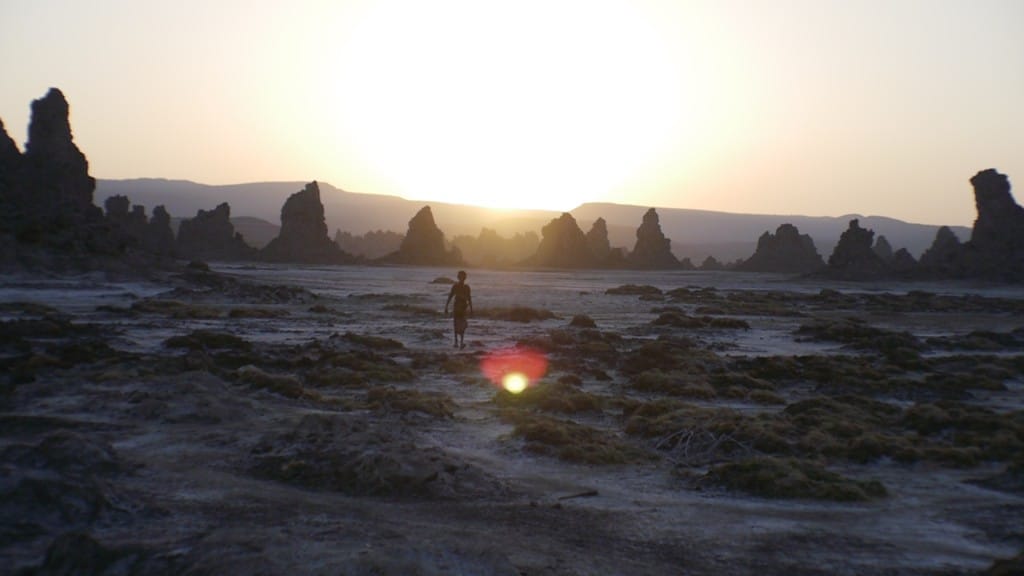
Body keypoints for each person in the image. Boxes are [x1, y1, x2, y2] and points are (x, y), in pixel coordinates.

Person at [444, 270, 473, 349]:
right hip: (459, 307)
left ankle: (458, 342)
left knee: (459, 324)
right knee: (459, 324)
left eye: (462, 276)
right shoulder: (459, 286)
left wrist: (446, 307)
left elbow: (469, 298)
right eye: (461, 276)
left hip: (461, 307)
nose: (461, 278)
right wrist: (471, 309)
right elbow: (451, 296)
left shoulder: (463, 287)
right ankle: (459, 342)